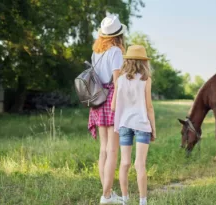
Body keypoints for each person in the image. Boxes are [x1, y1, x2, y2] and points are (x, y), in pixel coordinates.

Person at [87, 15, 126, 204]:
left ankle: (108, 194)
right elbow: (117, 82)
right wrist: (117, 104)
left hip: (97, 100)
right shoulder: (116, 52)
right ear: (118, 35)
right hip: (111, 99)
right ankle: (106, 196)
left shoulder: (96, 52)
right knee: (112, 151)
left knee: (103, 149)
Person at [111, 45, 156, 205]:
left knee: (125, 163)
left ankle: (125, 200)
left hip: (124, 124)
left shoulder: (120, 80)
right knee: (140, 164)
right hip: (142, 124)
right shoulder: (146, 80)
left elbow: (113, 106)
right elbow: (149, 107)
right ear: (144, 62)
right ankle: (142, 202)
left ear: (128, 60)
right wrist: (153, 129)